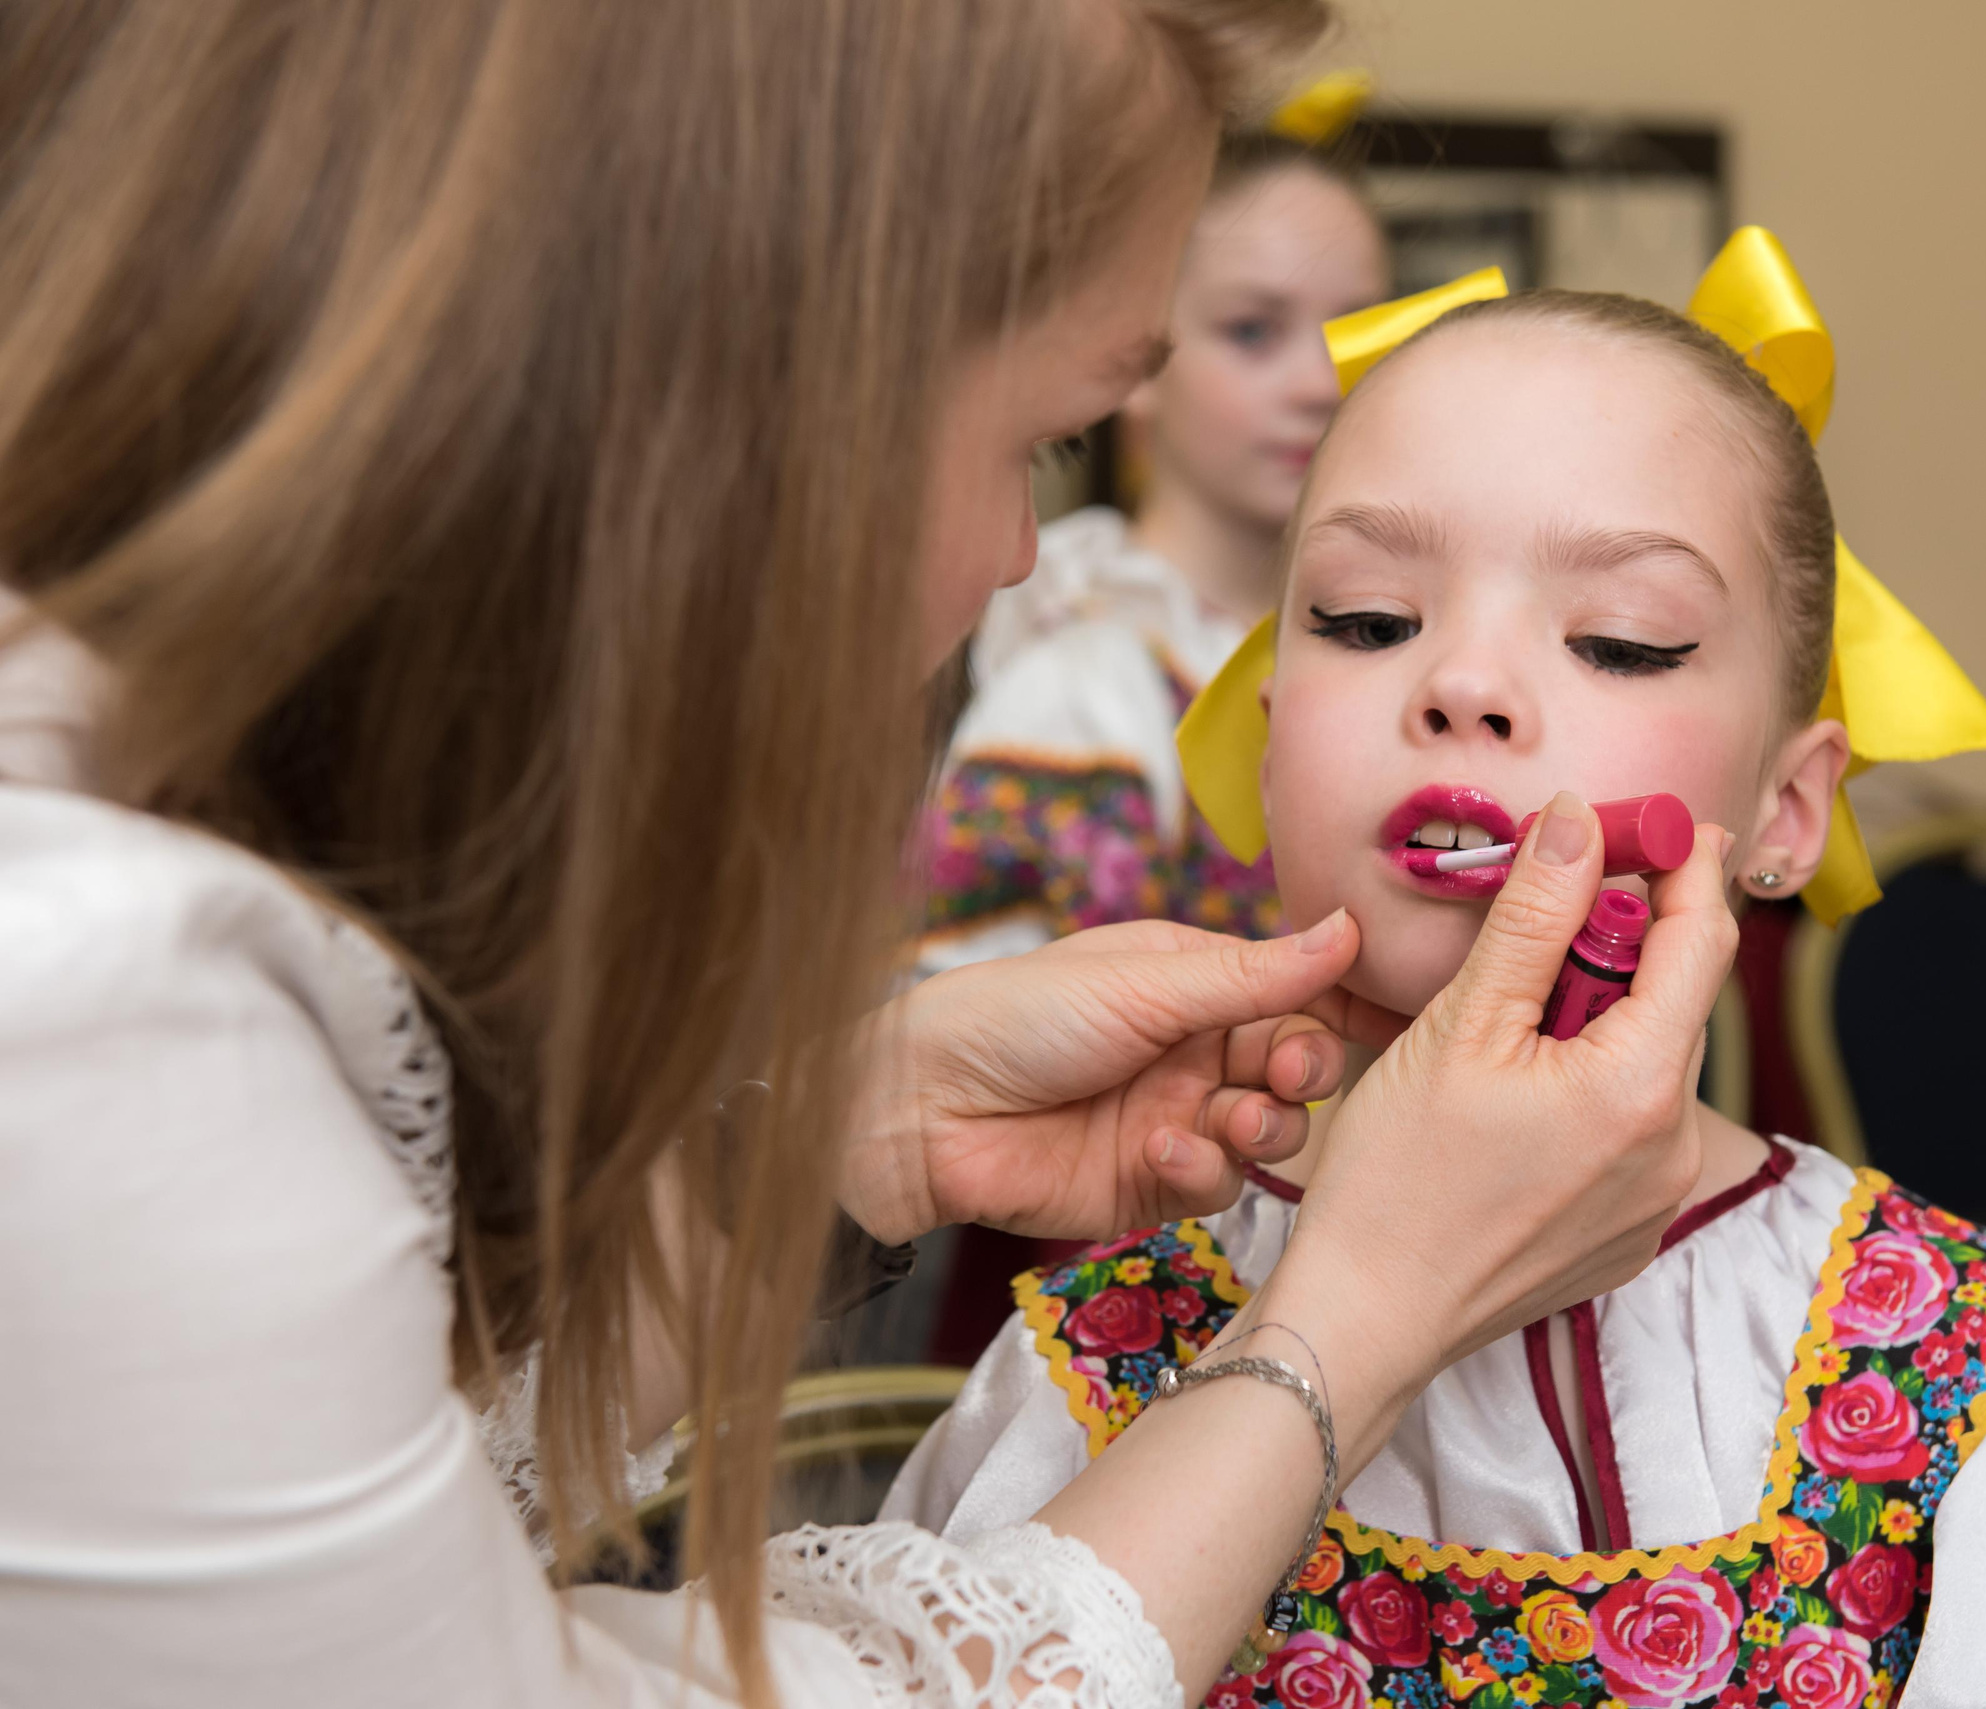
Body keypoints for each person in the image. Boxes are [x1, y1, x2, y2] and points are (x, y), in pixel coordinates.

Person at [0, 7, 1735, 1706]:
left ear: (1798, 795)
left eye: (1628, 639)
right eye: (1034, 444)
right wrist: (1351, 1321)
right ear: (716, 411)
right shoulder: (89, 1019)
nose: (1007, 555)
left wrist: (856, 1127)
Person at [882, 274, 1986, 1705]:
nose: (1465, 683)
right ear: (1273, 744)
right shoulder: (1094, 1366)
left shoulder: (1973, 1367)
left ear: (1789, 810)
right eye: (1366, 620)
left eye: (1620, 640)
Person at [918, 131, 1388, 971]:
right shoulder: (1081, 689)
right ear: (1134, 354)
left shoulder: (1412, 664)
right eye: (1252, 331)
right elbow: (953, 1046)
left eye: (1359, 332)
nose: (1322, 383)